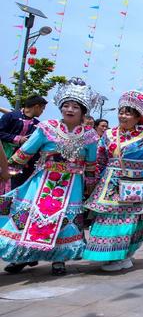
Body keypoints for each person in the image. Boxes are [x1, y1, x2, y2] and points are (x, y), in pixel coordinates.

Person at [0, 79, 98, 276]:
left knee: (64, 220)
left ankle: (59, 259)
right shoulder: (46, 127)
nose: (69, 109)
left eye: (75, 106)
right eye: (66, 105)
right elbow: (25, 152)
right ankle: (24, 256)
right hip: (44, 180)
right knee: (31, 217)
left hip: (73, 184)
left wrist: (90, 187)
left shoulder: (90, 135)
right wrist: (7, 169)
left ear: (83, 111)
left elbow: (90, 164)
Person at [83, 90, 143, 271]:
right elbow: (100, 159)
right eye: (121, 111)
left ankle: (123, 255)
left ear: (139, 117)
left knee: (128, 219)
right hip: (109, 184)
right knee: (107, 217)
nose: (122, 115)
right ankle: (111, 253)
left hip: (132, 185)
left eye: (128, 112)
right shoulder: (109, 134)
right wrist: (93, 181)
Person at [0, 95, 47, 188]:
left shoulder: (38, 125)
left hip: (20, 167)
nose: (42, 112)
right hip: (3, 158)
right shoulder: (10, 117)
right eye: (42, 109)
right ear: (36, 107)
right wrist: (18, 139)